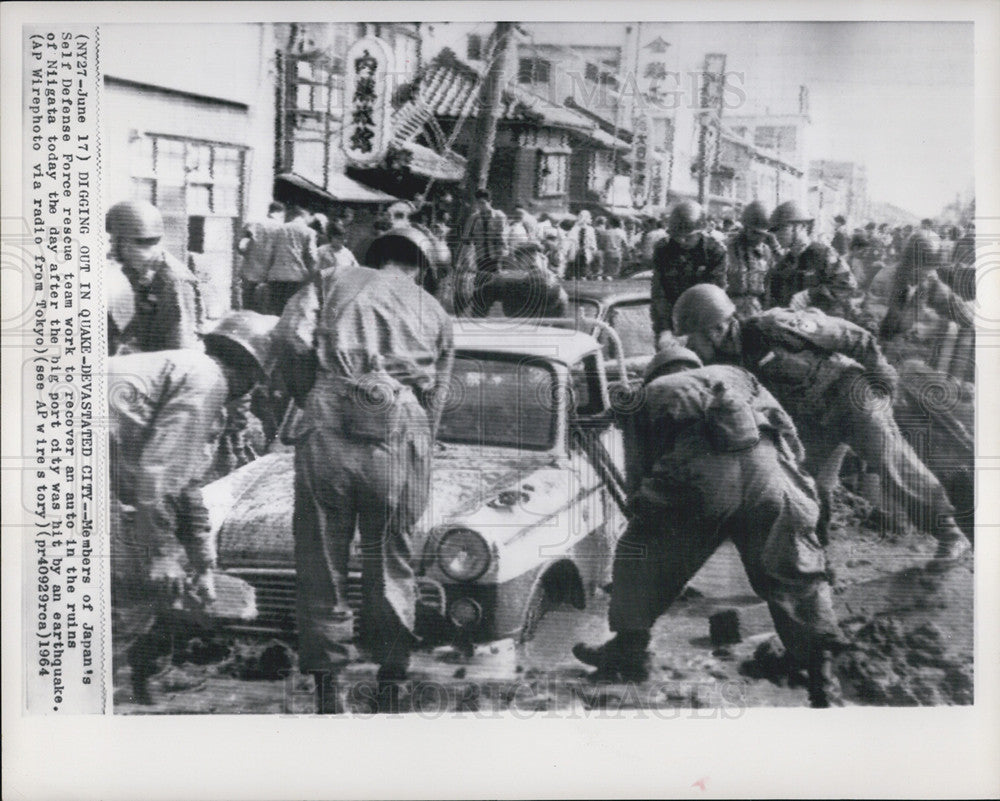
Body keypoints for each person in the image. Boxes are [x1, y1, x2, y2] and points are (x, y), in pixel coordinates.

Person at [572, 344, 846, 707]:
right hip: (771, 477)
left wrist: (649, 518)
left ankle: (629, 651)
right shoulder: (739, 375)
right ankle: (822, 674)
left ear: (656, 373)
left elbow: (638, 472)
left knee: (638, 552)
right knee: (793, 573)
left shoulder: (649, 394)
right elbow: (791, 437)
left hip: (698, 483)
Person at [275, 228, 454, 714]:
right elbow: (437, 396)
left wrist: (309, 396)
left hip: (328, 420)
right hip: (401, 430)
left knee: (320, 557)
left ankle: (328, 694)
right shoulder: (435, 312)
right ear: (425, 268)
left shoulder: (332, 278)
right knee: (392, 556)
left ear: (377, 255)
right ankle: (392, 681)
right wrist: (419, 447)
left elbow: (290, 337)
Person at [671, 283, 972, 566]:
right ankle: (816, 555)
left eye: (692, 337)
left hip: (850, 395)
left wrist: (883, 379)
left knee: (890, 461)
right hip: (813, 420)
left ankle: (949, 533)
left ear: (715, 328)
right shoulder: (724, 364)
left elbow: (853, 337)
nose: (691, 345)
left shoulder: (773, 325)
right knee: (805, 486)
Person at [108, 310, 279, 703]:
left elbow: (185, 487)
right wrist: (162, 555)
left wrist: (203, 561)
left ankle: (141, 674)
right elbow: (157, 476)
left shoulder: (190, 370)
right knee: (136, 586)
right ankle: (90, 695)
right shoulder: (206, 383)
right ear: (251, 372)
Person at [105, 200, 201, 354]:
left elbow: (181, 348)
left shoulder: (172, 281)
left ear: (126, 243)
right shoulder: (142, 274)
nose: (110, 250)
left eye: (113, 241)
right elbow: (140, 324)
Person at [650, 200, 728, 346]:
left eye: (687, 236)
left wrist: (694, 334)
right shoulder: (663, 250)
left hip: (704, 325)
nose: (681, 241)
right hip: (671, 323)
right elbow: (659, 293)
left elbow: (714, 296)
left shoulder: (714, 251)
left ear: (700, 233)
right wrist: (664, 330)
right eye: (677, 236)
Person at [880, 229, 973, 340]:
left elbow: (951, 303)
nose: (930, 274)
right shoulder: (886, 278)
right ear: (911, 263)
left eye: (932, 269)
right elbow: (874, 320)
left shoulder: (928, 280)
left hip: (904, 343)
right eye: (926, 269)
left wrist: (966, 320)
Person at [768, 200, 854, 308]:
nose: (777, 234)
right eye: (775, 230)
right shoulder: (783, 265)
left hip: (824, 320)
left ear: (801, 227)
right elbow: (775, 302)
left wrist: (810, 295)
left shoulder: (823, 255)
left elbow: (846, 286)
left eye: (783, 228)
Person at [260, 204, 317, 316]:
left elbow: (268, 253)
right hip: (297, 278)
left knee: (276, 311)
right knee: (292, 312)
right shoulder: (309, 232)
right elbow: (312, 257)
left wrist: (265, 274)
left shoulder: (278, 229)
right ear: (303, 217)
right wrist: (312, 278)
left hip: (276, 277)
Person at [726, 200, 779, 317]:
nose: (760, 238)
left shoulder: (766, 252)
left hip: (756, 311)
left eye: (763, 234)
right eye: (755, 233)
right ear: (745, 228)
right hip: (729, 310)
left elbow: (768, 286)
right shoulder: (727, 248)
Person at [238, 201, 285, 311]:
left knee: (247, 302)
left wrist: (247, 254)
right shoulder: (282, 228)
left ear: (269, 210)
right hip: (269, 273)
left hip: (250, 270)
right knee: (264, 304)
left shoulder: (253, 224)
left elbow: (240, 246)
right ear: (281, 213)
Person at [461, 188, 508, 272]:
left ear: (490, 202)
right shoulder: (473, 218)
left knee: (496, 281)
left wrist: (501, 257)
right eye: (478, 203)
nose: (480, 206)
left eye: (483, 203)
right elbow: (466, 240)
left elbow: (502, 238)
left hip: (496, 257)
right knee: (482, 281)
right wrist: (466, 259)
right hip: (481, 257)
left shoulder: (499, 216)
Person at [568, 210, 599, 279]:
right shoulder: (577, 228)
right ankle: (581, 275)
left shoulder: (575, 228)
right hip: (579, 249)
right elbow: (593, 241)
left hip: (581, 249)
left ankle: (579, 275)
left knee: (580, 263)